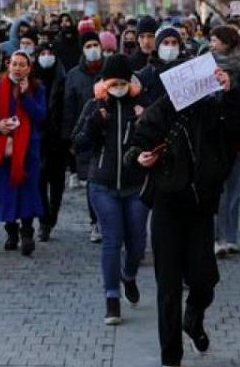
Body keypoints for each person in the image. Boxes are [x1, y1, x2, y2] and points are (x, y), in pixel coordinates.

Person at [128, 64, 240, 367]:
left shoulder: (214, 108)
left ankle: (194, 317)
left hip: (201, 206)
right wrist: (139, 157)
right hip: (167, 205)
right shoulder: (163, 109)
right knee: (167, 288)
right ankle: (170, 357)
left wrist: (231, 91)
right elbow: (136, 144)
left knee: (204, 279)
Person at [73, 56, 148, 325]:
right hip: (102, 184)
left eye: (123, 82)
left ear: (131, 83)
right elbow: (78, 144)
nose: (118, 87)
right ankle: (112, 298)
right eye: (113, 83)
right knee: (112, 239)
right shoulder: (95, 106)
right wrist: (94, 123)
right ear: (104, 84)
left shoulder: (140, 106)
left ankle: (128, 275)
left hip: (136, 184)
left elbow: (156, 141)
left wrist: (145, 121)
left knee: (137, 241)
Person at [0, 50, 47, 255]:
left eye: (22, 64)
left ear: (29, 68)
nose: (17, 68)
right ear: (8, 66)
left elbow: (40, 116)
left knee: (27, 189)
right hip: (3, 147)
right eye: (14, 64)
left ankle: (27, 232)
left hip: (28, 148)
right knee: (5, 190)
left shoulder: (37, 89)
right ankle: (11, 230)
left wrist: (26, 96)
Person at [209, 25, 240, 256]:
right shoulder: (205, 62)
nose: (212, 44)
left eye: (216, 40)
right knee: (218, 192)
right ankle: (218, 237)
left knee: (234, 192)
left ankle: (231, 236)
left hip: (239, 138)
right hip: (214, 139)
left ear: (227, 42)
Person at [62, 30, 107, 242]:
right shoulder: (73, 75)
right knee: (91, 181)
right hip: (86, 135)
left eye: (95, 45)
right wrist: (71, 138)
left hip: (108, 134)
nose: (93, 50)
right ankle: (95, 221)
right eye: (88, 46)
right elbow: (69, 110)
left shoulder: (110, 69)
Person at [33, 41, 68, 241]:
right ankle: (44, 220)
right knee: (38, 180)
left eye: (50, 52)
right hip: (38, 138)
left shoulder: (63, 76)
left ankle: (52, 216)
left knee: (57, 183)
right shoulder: (32, 78)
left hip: (58, 139)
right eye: (43, 52)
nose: (47, 56)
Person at [135, 26, 187, 106]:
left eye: (174, 42)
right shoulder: (146, 74)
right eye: (165, 43)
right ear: (158, 47)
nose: (170, 47)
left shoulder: (187, 69)